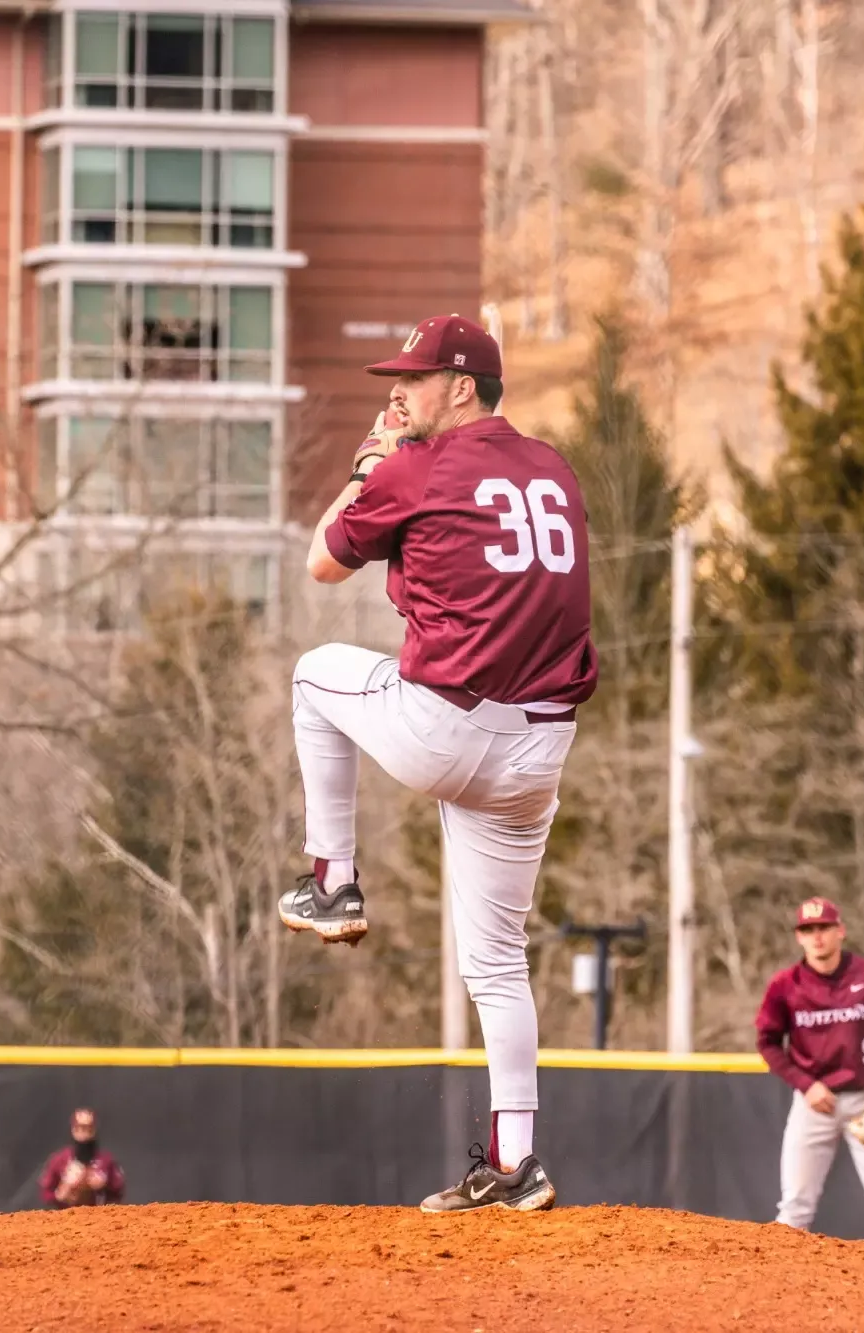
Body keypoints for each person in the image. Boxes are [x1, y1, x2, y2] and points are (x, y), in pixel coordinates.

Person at [281, 313, 597, 1214]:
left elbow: (322, 565)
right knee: (498, 961)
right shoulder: (555, 469)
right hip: (539, 748)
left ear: (464, 386)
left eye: (415, 381)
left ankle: (333, 880)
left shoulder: (418, 466)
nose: (399, 395)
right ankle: (516, 1161)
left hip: (450, 728)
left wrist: (365, 468)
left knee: (313, 676)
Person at [755, 896, 864, 1247]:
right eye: (808, 929)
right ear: (799, 937)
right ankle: (776, 1290)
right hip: (815, 1104)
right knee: (794, 1208)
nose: (817, 936)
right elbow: (767, 1042)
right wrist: (804, 1084)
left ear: (840, 931)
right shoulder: (785, 985)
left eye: (824, 928)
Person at [39, 1107, 125, 1208]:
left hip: (99, 1217)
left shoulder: (106, 1160)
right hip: (66, 1218)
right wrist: (59, 1194)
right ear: (73, 1129)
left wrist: (104, 1185)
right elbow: (45, 1192)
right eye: (79, 1127)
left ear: (94, 1129)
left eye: (88, 1128)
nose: (83, 1132)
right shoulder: (59, 1159)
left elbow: (119, 1190)